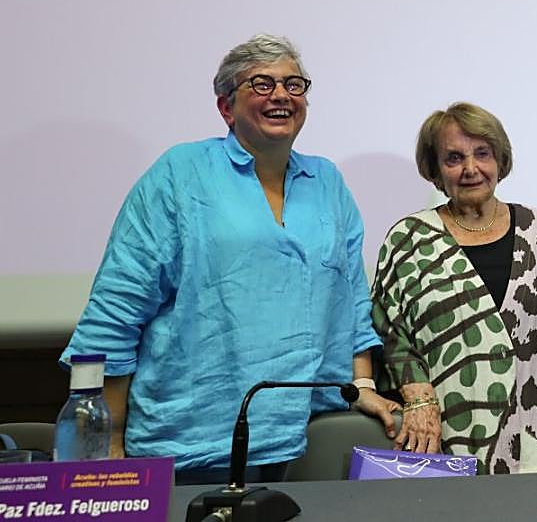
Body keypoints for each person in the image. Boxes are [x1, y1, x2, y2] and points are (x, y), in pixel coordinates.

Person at [61, 34, 398, 482]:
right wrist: (109, 441)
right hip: (190, 446)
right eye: (261, 84)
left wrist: (363, 389)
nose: (281, 95)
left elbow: (352, 303)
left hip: (305, 440)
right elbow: (116, 312)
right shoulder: (180, 173)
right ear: (226, 107)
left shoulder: (328, 182)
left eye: (294, 85)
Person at [370, 103, 537, 473]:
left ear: (500, 160)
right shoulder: (408, 240)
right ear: (436, 170)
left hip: (536, 438)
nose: (470, 169)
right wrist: (415, 394)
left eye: (482, 154)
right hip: (440, 441)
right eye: (454, 158)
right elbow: (386, 330)